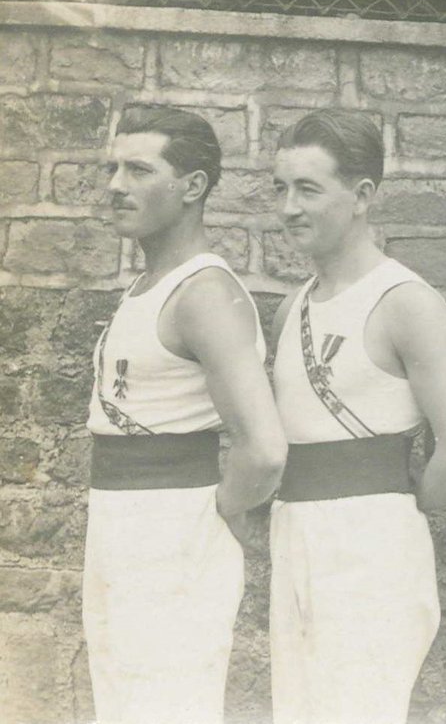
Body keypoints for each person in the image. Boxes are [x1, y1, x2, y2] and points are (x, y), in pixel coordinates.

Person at [268, 109, 446, 724]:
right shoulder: (291, 309)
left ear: (363, 195)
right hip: (296, 532)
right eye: (280, 188)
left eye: (308, 188)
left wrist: (388, 514)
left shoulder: (406, 302)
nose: (288, 207)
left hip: (372, 544)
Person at [83, 106, 286, 723]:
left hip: (172, 525)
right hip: (121, 520)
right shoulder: (150, 283)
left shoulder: (206, 293)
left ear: (193, 187)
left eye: (139, 169)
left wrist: (209, 517)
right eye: (114, 168)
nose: (116, 185)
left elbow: (264, 447)